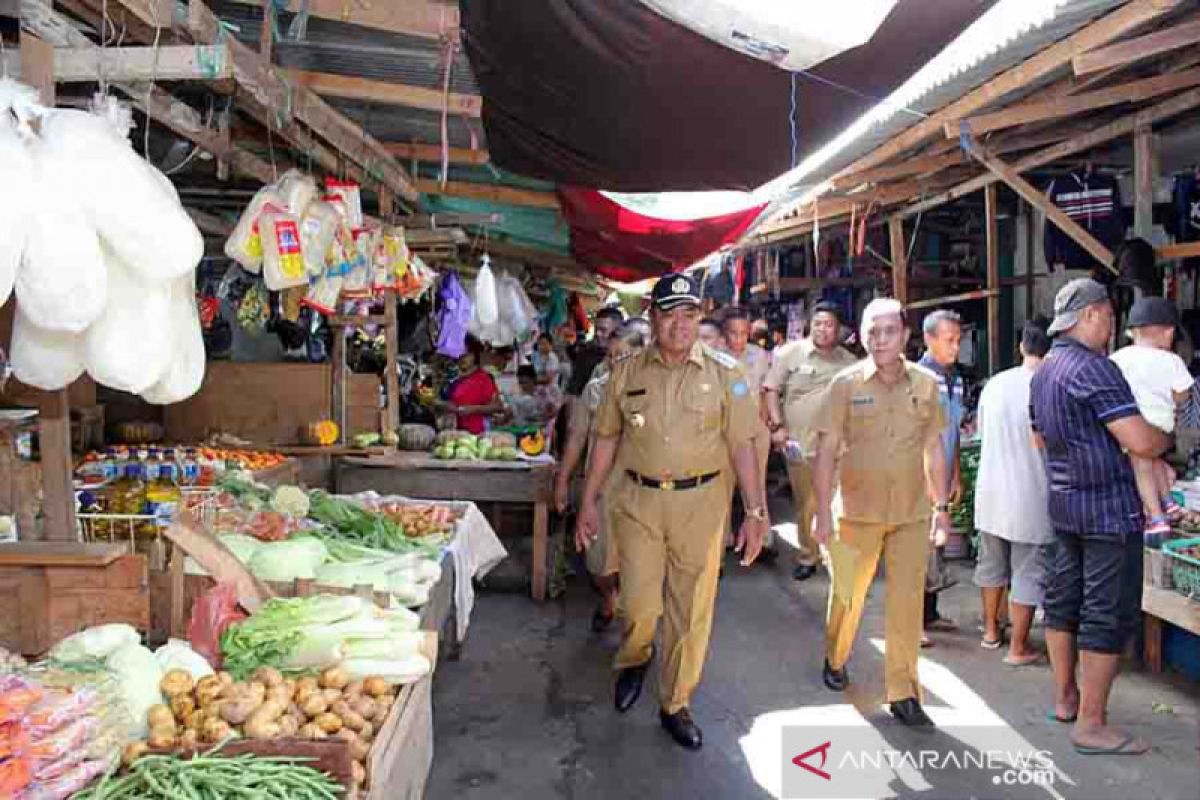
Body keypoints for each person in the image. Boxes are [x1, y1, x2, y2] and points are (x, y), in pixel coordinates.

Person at [577, 272, 768, 751]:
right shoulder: (626, 372)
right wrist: (587, 503)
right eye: (670, 315)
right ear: (653, 318)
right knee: (640, 606)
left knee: (691, 610)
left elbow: (743, 444)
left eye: (690, 315)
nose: (680, 325)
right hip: (638, 502)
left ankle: (675, 702)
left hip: (702, 507)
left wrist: (756, 510)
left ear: (700, 318)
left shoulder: (727, 375)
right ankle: (634, 657)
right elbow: (605, 439)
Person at [1030, 278, 1169, 756]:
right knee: (1104, 614)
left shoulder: (1045, 370)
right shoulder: (1095, 368)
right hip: (1108, 510)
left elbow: (1040, 438)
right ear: (1089, 315)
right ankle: (1091, 724)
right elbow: (1142, 441)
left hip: (1065, 504)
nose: (1113, 325)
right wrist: (1168, 443)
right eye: (1109, 315)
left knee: (1065, 601)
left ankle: (1067, 699)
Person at [812, 298, 951, 728]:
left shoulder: (927, 385)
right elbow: (826, 452)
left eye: (889, 330)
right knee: (847, 596)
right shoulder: (845, 385)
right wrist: (820, 512)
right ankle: (835, 658)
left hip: (910, 512)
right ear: (862, 335)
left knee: (907, 604)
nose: (880, 339)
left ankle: (904, 691)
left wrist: (941, 508)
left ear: (906, 335)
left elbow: (934, 449)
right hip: (855, 512)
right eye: (872, 331)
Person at [554, 325, 647, 630]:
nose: (616, 362)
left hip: (646, 490)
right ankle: (609, 596)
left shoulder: (656, 390)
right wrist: (563, 480)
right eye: (611, 356)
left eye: (624, 355)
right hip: (602, 488)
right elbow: (577, 435)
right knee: (598, 563)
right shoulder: (596, 389)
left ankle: (638, 631)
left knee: (641, 562)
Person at [973, 321, 1055, 664]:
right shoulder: (1050, 385)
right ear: (1051, 351)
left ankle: (991, 632)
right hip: (1031, 492)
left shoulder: (995, 384)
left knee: (991, 564)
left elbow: (980, 432)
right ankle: (1018, 648)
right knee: (1027, 570)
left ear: (1022, 346)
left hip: (991, 490)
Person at [764, 302, 857, 581]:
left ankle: (836, 556)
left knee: (838, 503)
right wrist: (777, 426)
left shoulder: (849, 362)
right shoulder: (793, 353)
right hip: (800, 445)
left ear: (838, 329)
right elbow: (770, 389)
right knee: (808, 503)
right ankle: (808, 554)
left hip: (838, 447)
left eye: (828, 324)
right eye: (817, 323)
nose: (822, 329)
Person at [1110, 297, 1196, 537]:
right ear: (1168, 332)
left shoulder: (1118, 358)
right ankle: (1165, 507)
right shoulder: (1172, 360)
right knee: (1154, 462)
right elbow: (1182, 395)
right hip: (1161, 427)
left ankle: (1156, 516)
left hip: (1131, 424)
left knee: (1143, 468)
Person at [918, 309, 964, 642]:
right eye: (949, 340)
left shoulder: (955, 379)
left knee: (934, 546)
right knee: (917, 550)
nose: (956, 347)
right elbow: (922, 441)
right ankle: (913, 623)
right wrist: (934, 489)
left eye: (958, 340)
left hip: (944, 475)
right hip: (921, 481)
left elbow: (954, 434)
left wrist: (955, 475)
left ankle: (929, 614)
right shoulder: (919, 379)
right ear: (929, 339)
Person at [720, 307, 777, 562]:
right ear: (724, 335)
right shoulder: (716, 359)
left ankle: (763, 539)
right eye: (734, 333)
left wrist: (765, 422)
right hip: (724, 431)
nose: (739, 339)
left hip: (755, 429)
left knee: (756, 483)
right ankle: (721, 542)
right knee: (722, 486)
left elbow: (766, 390)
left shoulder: (760, 356)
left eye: (744, 333)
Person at [447, 335, 505, 435]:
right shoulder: (455, 381)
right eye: (459, 355)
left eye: (466, 354)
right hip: (460, 433)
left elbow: (498, 406)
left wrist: (475, 409)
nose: (462, 359)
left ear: (474, 355)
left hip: (481, 433)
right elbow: (451, 404)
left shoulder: (484, 378)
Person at [566, 306, 624, 396]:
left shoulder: (626, 359)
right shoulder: (585, 356)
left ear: (618, 332)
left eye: (603, 330)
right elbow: (574, 392)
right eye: (596, 329)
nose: (598, 334)